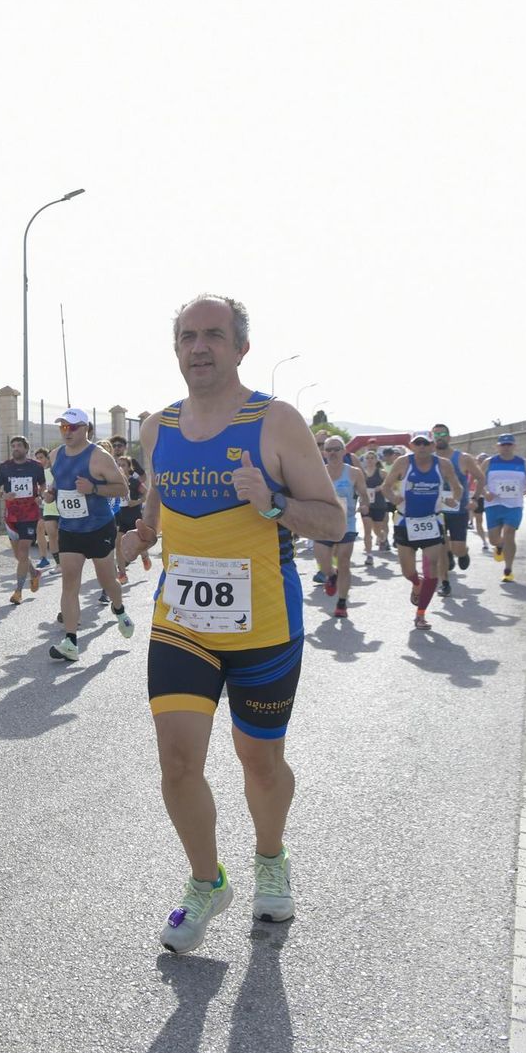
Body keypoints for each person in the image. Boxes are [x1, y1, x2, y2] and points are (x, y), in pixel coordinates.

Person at [118, 294, 344, 954]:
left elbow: (331, 521)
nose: (199, 346)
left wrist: (272, 501)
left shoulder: (276, 422)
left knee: (261, 763)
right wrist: (145, 532)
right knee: (178, 761)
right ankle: (206, 879)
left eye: (214, 334)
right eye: (188, 336)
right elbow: (157, 490)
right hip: (181, 622)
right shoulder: (157, 426)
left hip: (265, 628)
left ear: (241, 347)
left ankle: (270, 858)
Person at [47, 409, 133, 662]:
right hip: (70, 529)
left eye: (72, 427)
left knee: (107, 581)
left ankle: (119, 610)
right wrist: (51, 494)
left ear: (85, 428)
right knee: (69, 584)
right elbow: (59, 483)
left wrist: (93, 487)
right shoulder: (55, 455)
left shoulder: (99, 456)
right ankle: (70, 642)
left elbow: (122, 488)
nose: (67, 432)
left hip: (98, 528)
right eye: (63, 427)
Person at [381, 429, 462, 630]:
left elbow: (457, 486)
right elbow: (386, 486)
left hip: (431, 522)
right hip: (405, 522)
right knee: (408, 572)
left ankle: (421, 614)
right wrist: (393, 498)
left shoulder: (443, 464)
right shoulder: (403, 463)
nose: (422, 447)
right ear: (412, 445)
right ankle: (416, 584)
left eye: (426, 443)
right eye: (418, 443)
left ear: (433, 446)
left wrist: (455, 499)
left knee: (432, 567)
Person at [312, 436, 370, 619]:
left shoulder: (353, 473)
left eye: (336, 449)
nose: (332, 453)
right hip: (324, 522)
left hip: (347, 521)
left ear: (344, 452)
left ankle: (342, 603)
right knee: (322, 561)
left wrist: (365, 504)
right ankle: (331, 575)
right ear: (324, 453)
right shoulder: (319, 472)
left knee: (344, 561)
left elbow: (363, 493)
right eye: (328, 449)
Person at [431, 424, 486, 598]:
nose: (439, 437)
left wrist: (475, 499)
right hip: (437, 510)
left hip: (459, 510)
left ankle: (462, 552)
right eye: (436, 434)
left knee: (457, 548)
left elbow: (480, 477)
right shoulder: (429, 458)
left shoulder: (463, 458)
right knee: (439, 546)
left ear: (449, 437)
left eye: (442, 434)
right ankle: (444, 583)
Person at [0, 436, 47, 605]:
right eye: (13, 446)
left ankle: (18, 591)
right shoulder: (4, 467)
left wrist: (40, 496)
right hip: (12, 516)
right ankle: (34, 573)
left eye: (19, 446)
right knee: (19, 555)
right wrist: (3, 495)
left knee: (23, 552)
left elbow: (43, 486)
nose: (15, 448)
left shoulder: (36, 467)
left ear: (26, 449)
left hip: (29, 514)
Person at [483, 433, 526, 583]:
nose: (506, 447)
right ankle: (499, 546)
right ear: (498, 446)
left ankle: (508, 569)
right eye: (503, 445)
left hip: (514, 505)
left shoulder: (523, 462)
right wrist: (484, 493)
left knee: (509, 533)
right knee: (494, 539)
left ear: (514, 446)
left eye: (509, 444)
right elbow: (478, 480)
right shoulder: (489, 462)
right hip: (493, 504)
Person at [114, 454, 151, 585]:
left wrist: (137, 502)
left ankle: (145, 556)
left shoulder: (134, 481)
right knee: (118, 544)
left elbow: (146, 493)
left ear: (129, 467)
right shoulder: (115, 483)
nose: (120, 467)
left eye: (123, 465)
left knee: (138, 544)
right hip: (122, 518)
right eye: (118, 464)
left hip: (134, 518)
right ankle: (122, 574)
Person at [359, 449, 391, 560]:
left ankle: (382, 538)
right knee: (367, 529)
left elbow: (390, 482)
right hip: (366, 504)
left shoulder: (381, 472)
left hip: (378, 504)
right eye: (367, 458)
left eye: (372, 458)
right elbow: (355, 485)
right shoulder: (361, 473)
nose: (369, 460)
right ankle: (369, 555)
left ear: (376, 460)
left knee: (377, 529)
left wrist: (381, 487)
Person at [34, 446, 59, 571]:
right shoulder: (36, 473)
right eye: (37, 458)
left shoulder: (53, 471)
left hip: (55, 506)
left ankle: (63, 560)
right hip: (43, 506)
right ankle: (44, 558)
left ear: (48, 458)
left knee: (56, 534)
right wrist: (38, 496)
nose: (39, 460)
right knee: (40, 529)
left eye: (41, 458)